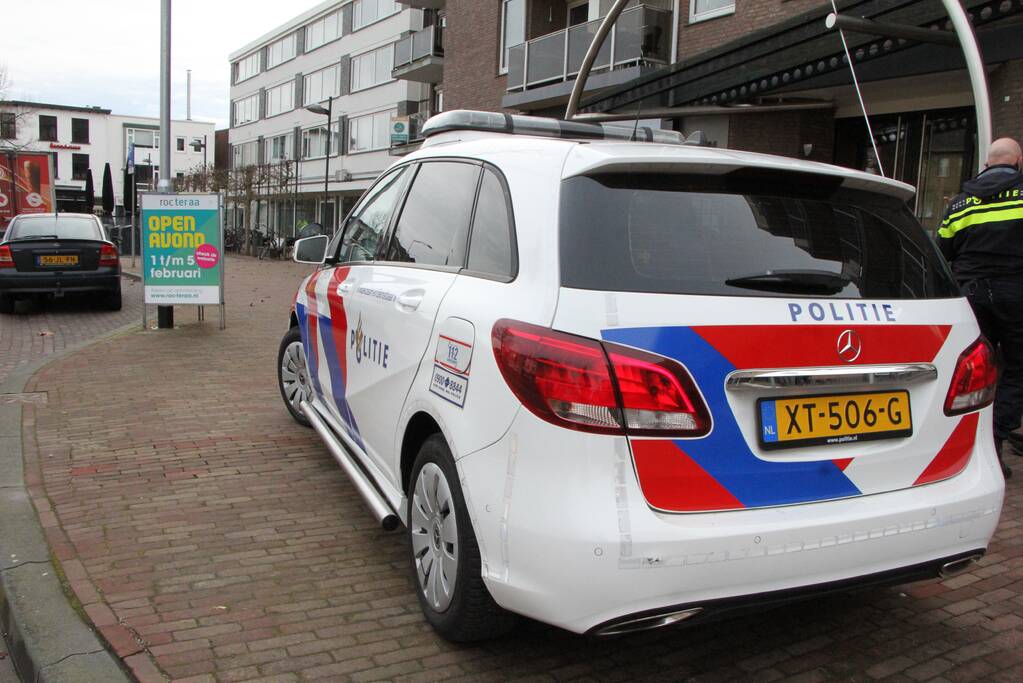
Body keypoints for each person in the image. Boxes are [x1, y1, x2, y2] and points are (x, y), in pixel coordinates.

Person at [938, 137, 1023, 479]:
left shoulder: (960, 204)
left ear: (987, 164)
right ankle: (996, 437)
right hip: (1017, 292)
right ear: (1017, 162)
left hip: (971, 294)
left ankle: (973, 441)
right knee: (1017, 368)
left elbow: (943, 248)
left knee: (974, 372)